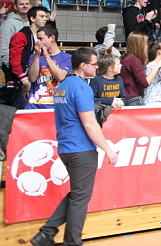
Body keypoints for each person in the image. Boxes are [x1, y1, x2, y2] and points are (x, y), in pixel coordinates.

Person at [29, 48, 118, 246]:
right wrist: (108, 149)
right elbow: (90, 123)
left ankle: (46, 234)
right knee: (80, 198)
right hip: (81, 148)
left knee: (78, 194)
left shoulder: (63, 85)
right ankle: (71, 241)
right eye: (94, 64)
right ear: (83, 65)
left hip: (66, 147)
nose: (97, 67)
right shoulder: (82, 87)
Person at [26, 24, 72, 109]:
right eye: (37, 39)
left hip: (56, 105)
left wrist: (47, 56)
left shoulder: (67, 58)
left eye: (41, 39)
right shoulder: (34, 57)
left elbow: (61, 77)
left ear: (52, 38)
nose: (38, 42)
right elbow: (32, 78)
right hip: (34, 105)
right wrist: (37, 55)